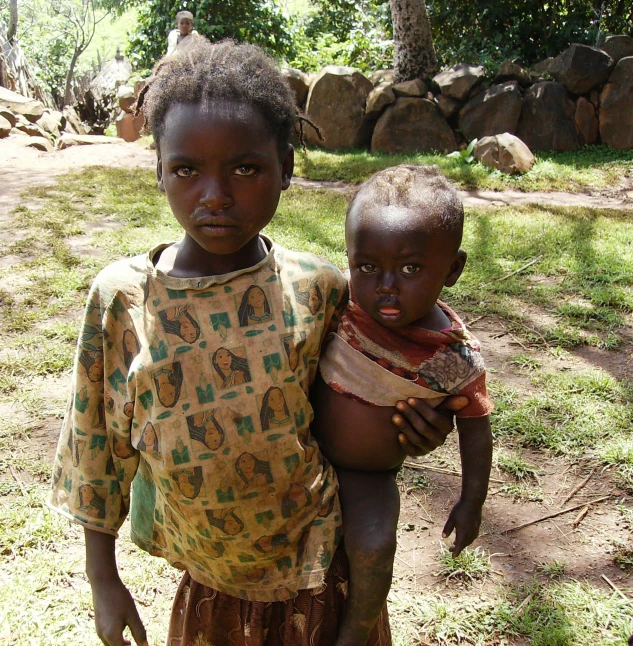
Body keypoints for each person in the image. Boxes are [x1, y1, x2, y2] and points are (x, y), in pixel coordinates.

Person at [48, 39, 464, 646]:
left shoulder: (318, 287)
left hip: (323, 571)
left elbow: (374, 388)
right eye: (187, 169)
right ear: (159, 167)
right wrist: (103, 579)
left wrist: (421, 424)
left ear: (286, 168)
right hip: (213, 583)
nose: (215, 195)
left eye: (245, 169)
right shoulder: (123, 300)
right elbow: (95, 450)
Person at [311, 164, 494, 645]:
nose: (386, 285)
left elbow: (476, 426)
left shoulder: (450, 354)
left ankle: (354, 634)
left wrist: (471, 500)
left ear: (452, 269)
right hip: (298, 452)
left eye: (411, 269)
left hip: (366, 475)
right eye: (367, 266)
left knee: (374, 546)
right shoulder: (338, 304)